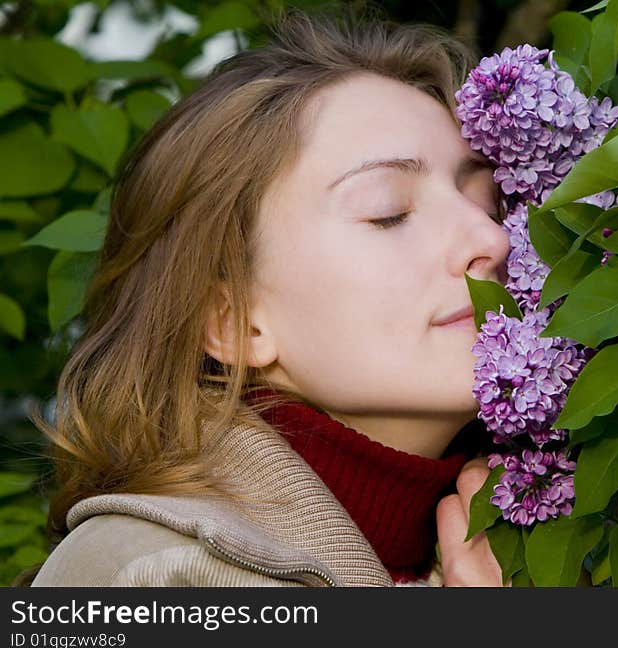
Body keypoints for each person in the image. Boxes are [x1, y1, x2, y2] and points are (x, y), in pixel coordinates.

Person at [28, 4, 510, 587]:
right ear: (232, 324)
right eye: (389, 211)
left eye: (489, 202)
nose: (491, 238)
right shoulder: (150, 575)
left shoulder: (548, 542)